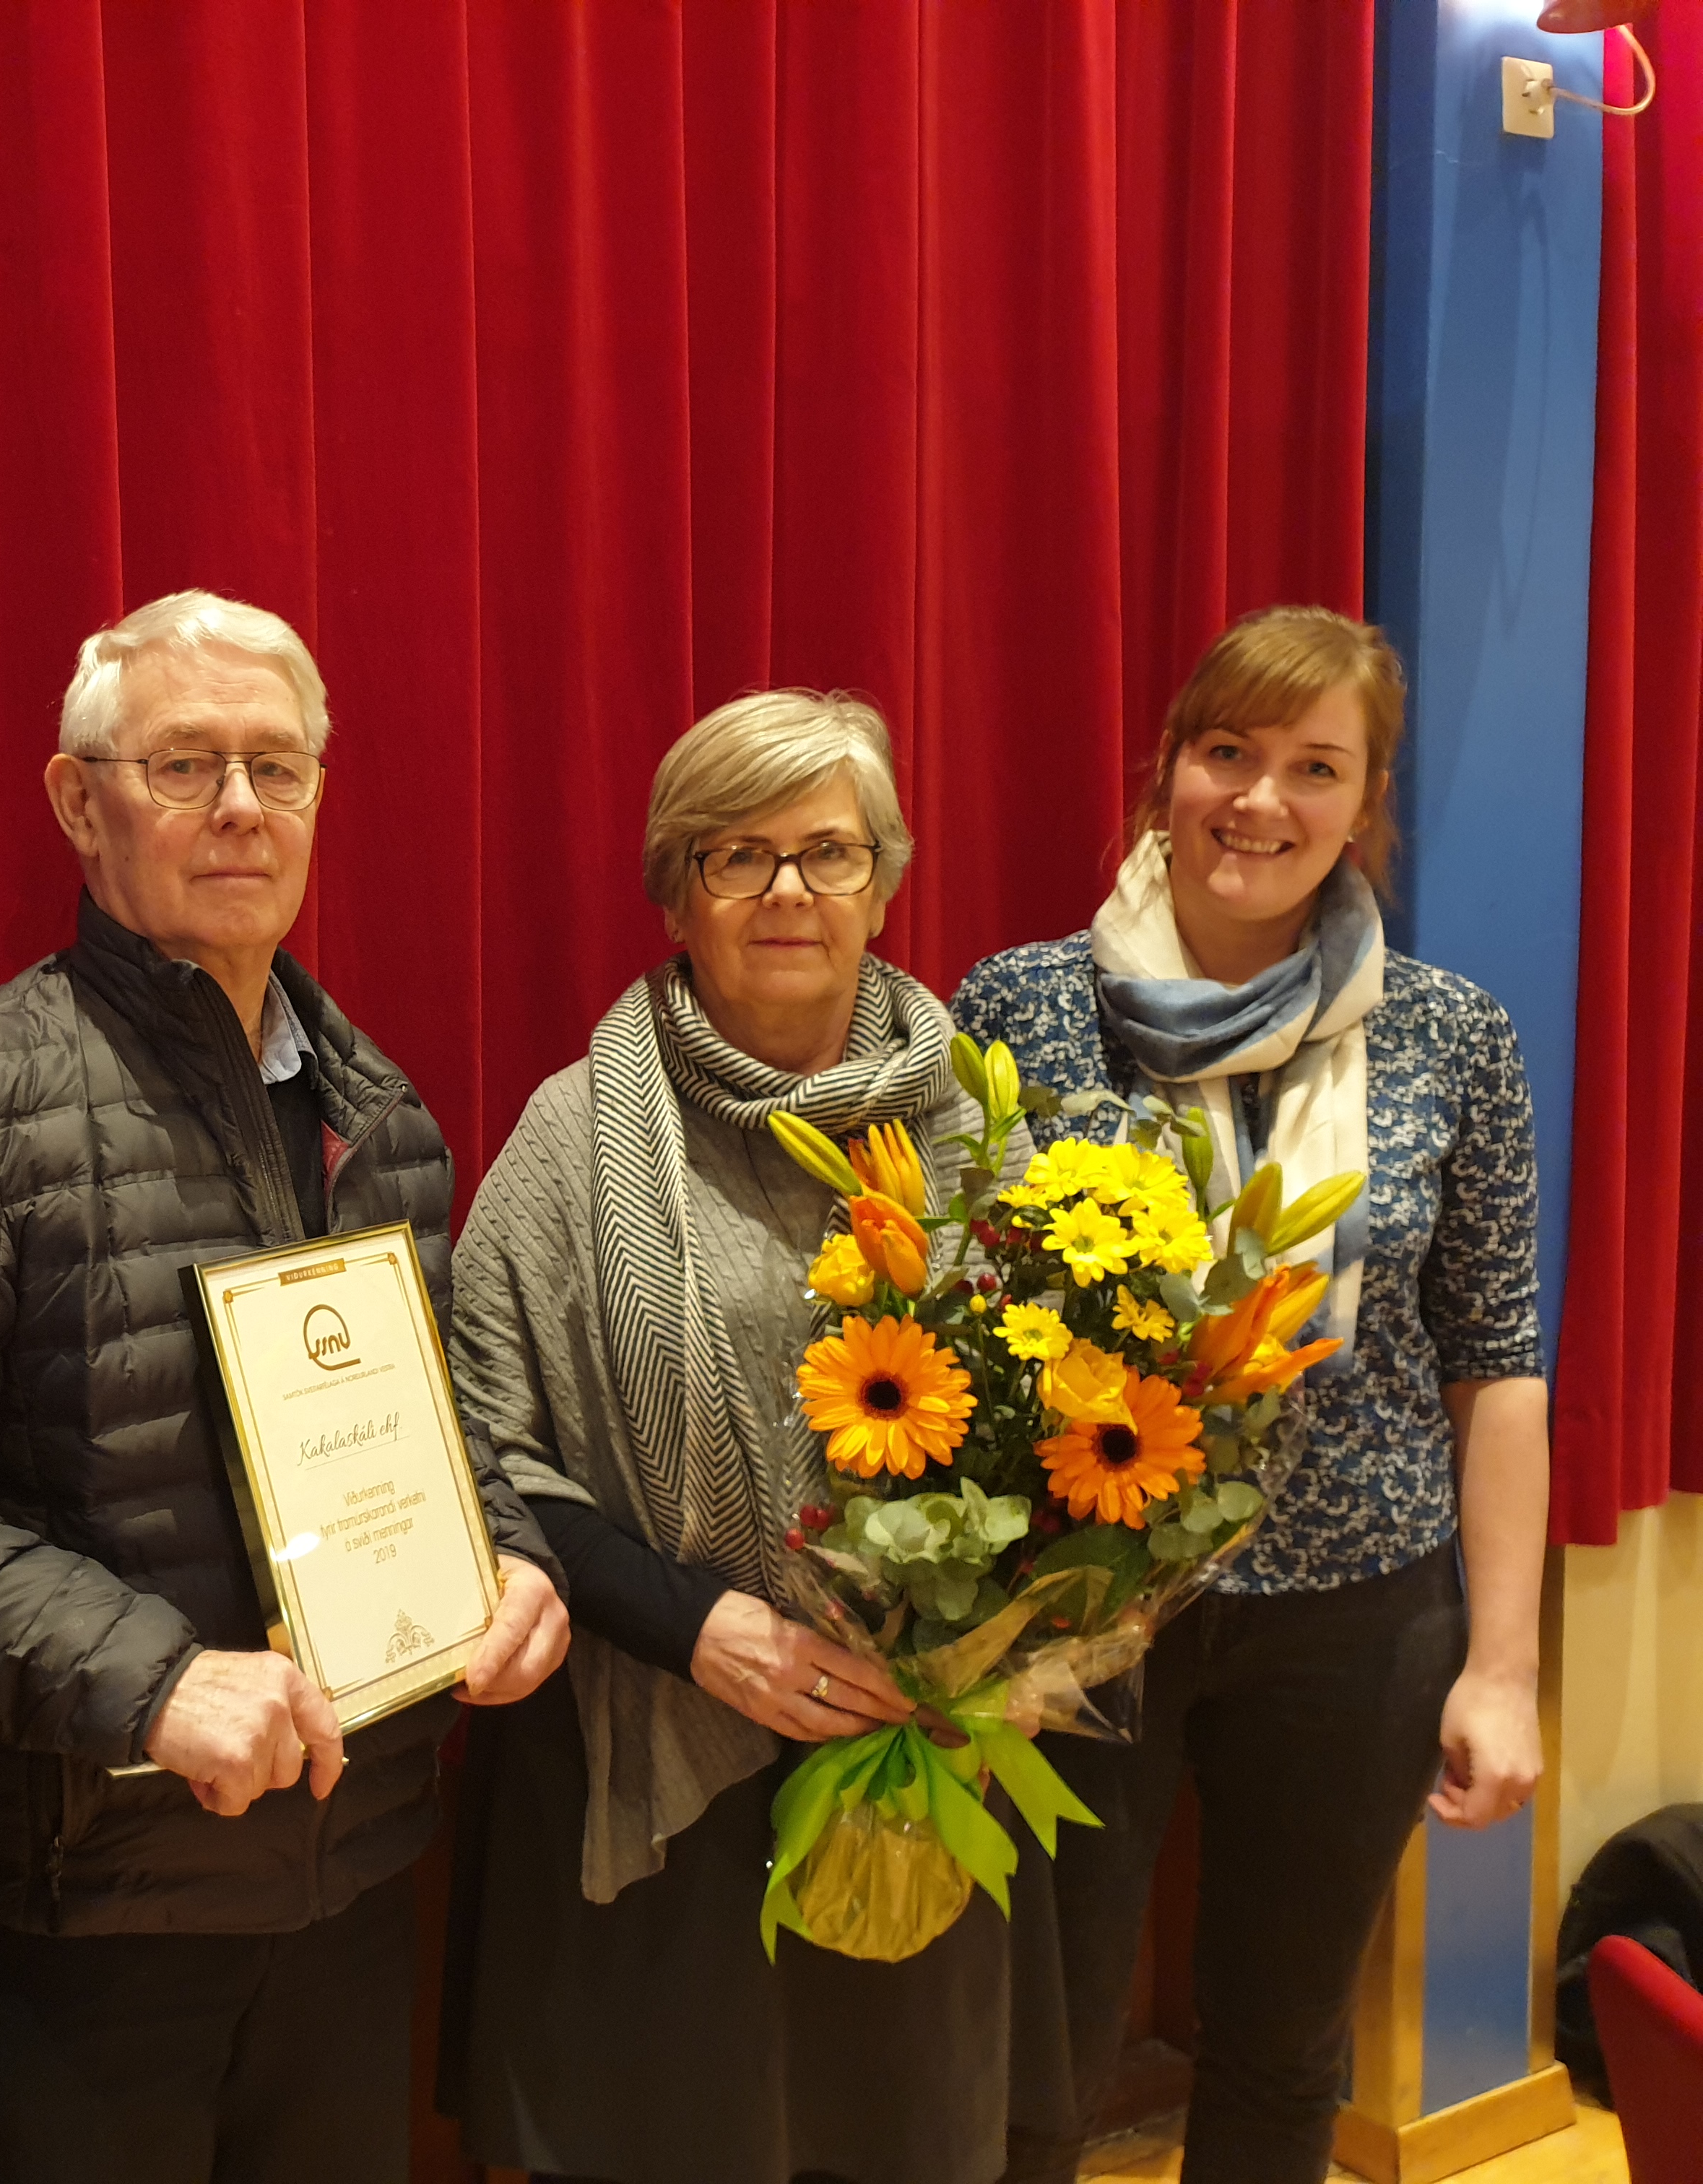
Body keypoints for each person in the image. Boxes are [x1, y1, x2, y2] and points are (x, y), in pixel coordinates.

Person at [0, 589, 572, 2184]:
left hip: (353, 1871)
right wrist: (155, 1681)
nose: (241, 806)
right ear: (77, 800)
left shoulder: (379, 1105)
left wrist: (507, 1557)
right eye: (183, 765)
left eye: (278, 767)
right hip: (90, 1905)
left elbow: (439, 1416)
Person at [955, 605, 1548, 2184]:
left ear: (1367, 806)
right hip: (1078, 1612)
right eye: (1228, 752)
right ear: (1168, 773)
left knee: (1286, 2049)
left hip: (1359, 1611)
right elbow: (950, 1325)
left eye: (1315, 766)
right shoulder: (1017, 1009)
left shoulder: (1453, 1039)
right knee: (1040, 2049)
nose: (1261, 801)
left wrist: (1503, 1667)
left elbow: (1498, 1369)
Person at [439, 689, 1057, 2184]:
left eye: (828, 852)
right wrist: (697, 1627)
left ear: (886, 879)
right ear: (678, 891)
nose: (789, 891)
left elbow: (1079, 1412)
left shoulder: (985, 1126)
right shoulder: (570, 1136)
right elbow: (489, 1456)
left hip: (925, 1760)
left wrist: (1026, 1638)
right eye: (738, 855)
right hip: (668, 1757)